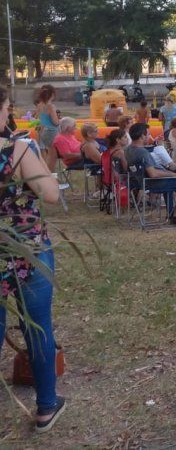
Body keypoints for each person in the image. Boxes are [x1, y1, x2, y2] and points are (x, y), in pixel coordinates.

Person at [0, 86, 66, 432]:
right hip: (27, 250)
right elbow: (51, 194)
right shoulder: (17, 149)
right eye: (7, 108)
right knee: (37, 326)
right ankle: (45, 407)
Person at [125, 123, 176, 226]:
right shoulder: (142, 152)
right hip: (157, 183)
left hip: (144, 183)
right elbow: (153, 174)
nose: (149, 137)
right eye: (148, 134)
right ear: (142, 136)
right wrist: (173, 174)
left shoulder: (128, 150)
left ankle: (174, 215)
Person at [34, 85, 60, 156]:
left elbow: (37, 119)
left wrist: (38, 131)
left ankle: (44, 163)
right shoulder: (50, 106)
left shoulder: (39, 105)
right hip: (50, 131)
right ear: (52, 95)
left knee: (42, 150)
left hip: (41, 130)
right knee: (52, 152)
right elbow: (55, 122)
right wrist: (59, 121)